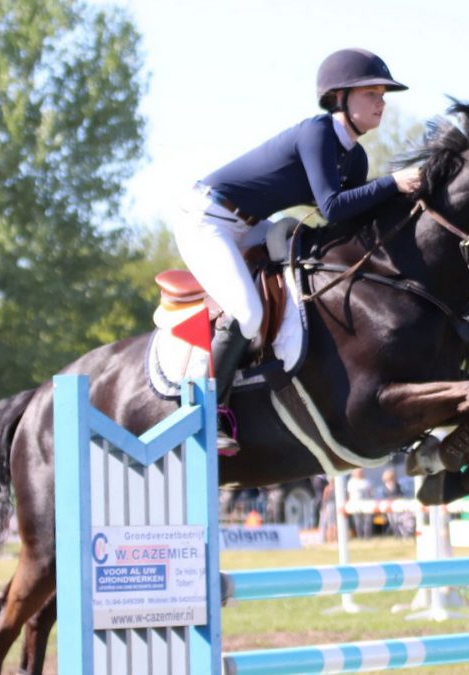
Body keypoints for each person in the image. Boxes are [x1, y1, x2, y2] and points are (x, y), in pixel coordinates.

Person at [171, 48, 423, 452]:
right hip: (207, 218)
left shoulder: (354, 157)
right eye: (371, 93)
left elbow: (344, 224)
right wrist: (393, 182)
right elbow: (331, 205)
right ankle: (203, 412)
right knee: (248, 312)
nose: (381, 103)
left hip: (250, 226)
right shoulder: (318, 132)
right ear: (339, 96)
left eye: (383, 95)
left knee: (308, 259)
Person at [346, 468, 374, 539]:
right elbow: (349, 494)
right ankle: (360, 536)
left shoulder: (367, 481)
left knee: (367, 521)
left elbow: (371, 493)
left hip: (367, 504)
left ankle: (367, 536)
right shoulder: (351, 482)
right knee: (358, 522)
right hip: (356, 504)